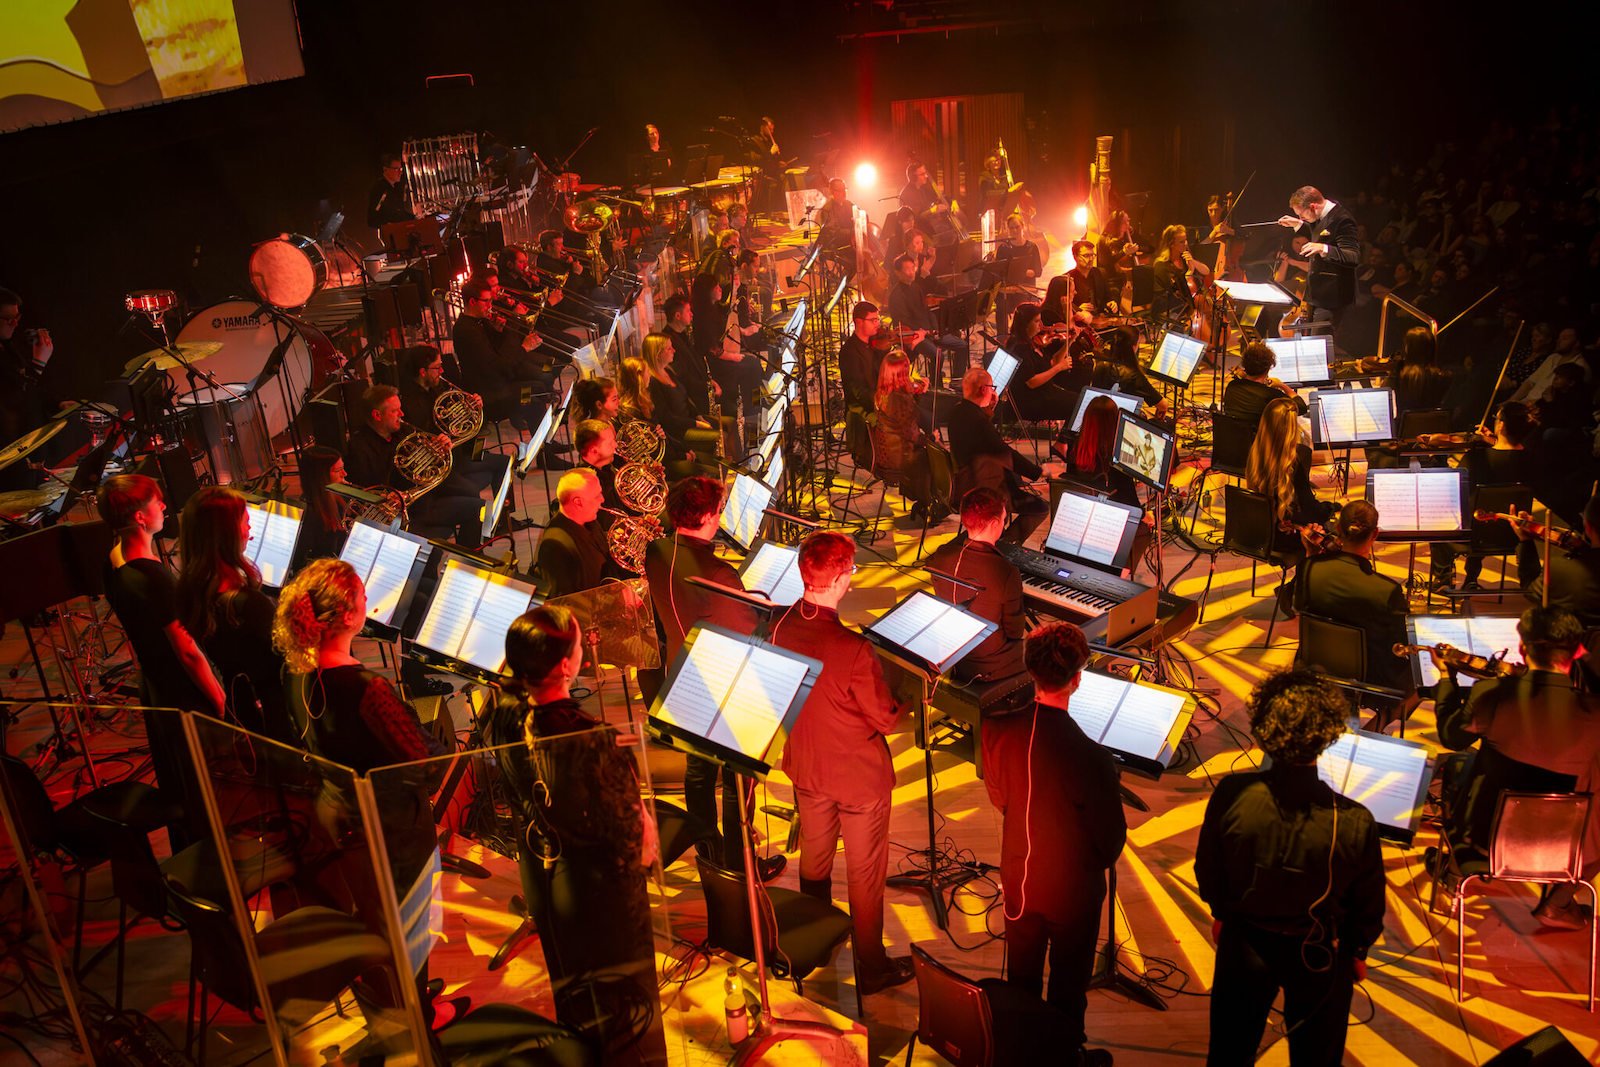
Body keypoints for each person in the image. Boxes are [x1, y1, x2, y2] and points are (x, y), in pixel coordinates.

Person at [484, 605, 663, 1064]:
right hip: (596, 890)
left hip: (542, 868)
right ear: (567, 665)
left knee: (574, 986)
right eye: (580, 643)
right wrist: (646, 835)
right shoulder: (588, 736)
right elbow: (626, 839)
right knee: (624, 1009)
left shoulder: (504, 708)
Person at [272, 560, 449, 1012]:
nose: (369, 602)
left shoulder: (295, 671)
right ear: (349, 616)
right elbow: (424, 765)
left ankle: (388, 998)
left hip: (342, 812)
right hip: (391, 824)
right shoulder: (367, 687)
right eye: (363, 597)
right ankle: (415, 1020)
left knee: (374, 913)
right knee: (408, 923)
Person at [1196, 669, 1386, 1067]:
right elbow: (1367, 904)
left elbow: (1208, 869)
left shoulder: (1231, 793)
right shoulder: (1354, 819)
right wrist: (1358, 950)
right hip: (1318, 951)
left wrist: (1222, 914)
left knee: (1230, 1052)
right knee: (1317, 1058)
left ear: (1264, 728)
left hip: (1244, 941)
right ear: (1328, 735)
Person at [768, 531, 913, 994]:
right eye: (850, 570)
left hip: (807, 766)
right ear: (838, 580)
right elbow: (885, 719)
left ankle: (817, 938)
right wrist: (906, 698)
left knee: (815, 857)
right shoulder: (853, 649)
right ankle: (871, 967)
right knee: (865, 874)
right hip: (857, 779)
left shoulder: (780, 624)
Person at [982, 621, 1124, 1067]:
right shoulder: (1094, 757)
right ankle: (1066, 1056)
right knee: (1067, 986)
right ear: (1077, 679)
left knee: (1021, 977)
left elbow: (1000, 797)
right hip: (1072, 894)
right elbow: (1109, 845)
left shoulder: (996, 729)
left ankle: (1022, 1050)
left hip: (1020, 874)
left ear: (1029, 670)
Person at [642, 477, 783, 880]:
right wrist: (761, 610)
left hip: (681, 678)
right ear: (707, 517)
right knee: (740, 781)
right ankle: (740, 866)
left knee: (699, 773)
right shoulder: (718, 573)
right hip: (720, 684)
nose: (721, 517)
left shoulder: (657, 549)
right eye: (718, 511)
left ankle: (708, 852)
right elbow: (747, 635)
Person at [98, 474, 226, 845]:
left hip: (154, 686)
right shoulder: (153, 577)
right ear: (140, 517)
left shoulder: (114, 558)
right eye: (156, 502)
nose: (164, 506)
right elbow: (186, 650)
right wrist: (219, 699)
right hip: (182, 692)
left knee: (178, 781)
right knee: (201, 787)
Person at [1434, 606, 1600, 890]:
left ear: (1522, 648)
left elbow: (1451, 736)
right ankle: (1559, 901)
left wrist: (1445, 678)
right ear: (1575, 652)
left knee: (1457, 762)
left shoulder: (1493, 694)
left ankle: (1453, 872)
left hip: (1485, 843)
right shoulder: (1593, 713)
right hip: (1566, 849)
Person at [175, 487, 292, 743]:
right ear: (226, 534)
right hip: (274, 715)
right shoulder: (247, 603)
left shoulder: (191, 590)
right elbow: (286, 658)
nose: (250, 531)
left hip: (240, 705)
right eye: (246, 522)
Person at [1296, 501, 1414, 700]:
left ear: (1338, 529)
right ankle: (1374, 726)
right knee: (1424, 678)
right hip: (1367, 677)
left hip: (1314, 665)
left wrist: (1311, 555)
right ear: (1375, 534)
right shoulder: (1387, 590)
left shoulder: (1309, 568)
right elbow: (1399, 646)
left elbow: (1300, 607)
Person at [344, 385, 485, 547]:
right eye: (394, 411)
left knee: (479, 506)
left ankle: (468, 558)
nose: (401, 414)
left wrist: (440, 448)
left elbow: (427, 467)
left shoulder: (402, 430)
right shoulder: (359, 448)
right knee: (472, 507)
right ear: (377, 415)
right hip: (407, 513)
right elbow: (368, 490)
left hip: (426, 497)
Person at [1428, 401, 1538, 592]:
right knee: (1486, 512)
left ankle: (1443, 579)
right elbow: (1509, 455)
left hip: (1474, 536)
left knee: (1441, 521)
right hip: (1515, 534)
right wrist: (1493, 441)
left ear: (1501, 425)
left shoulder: (1477, 458)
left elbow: (1454, 492)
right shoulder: (1532, 459)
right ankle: (1471, 577)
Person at [923, 488, 1027, 684]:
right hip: (989, 663)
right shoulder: (1005, 571)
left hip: (950, 652)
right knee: (1047, 651)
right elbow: (1015, 632)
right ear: (996, 523)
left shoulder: (941, 555)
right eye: (1004, 519)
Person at [948, 367, 1049, 544]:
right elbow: (1005, 452)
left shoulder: (957, 412)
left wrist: (989, 408)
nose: (994, 391)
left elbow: (984, 437)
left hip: (965, 482)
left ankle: (990, 538)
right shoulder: (979, 423)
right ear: (983, 389)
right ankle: (1004, 545)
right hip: (985, 488)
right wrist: (1039, 472)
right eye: (992, 387)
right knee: (1040, 507)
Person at [451, 277, 548, 439]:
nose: (490, 306)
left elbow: (500, 353)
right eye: (486, 301)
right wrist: (523, 347)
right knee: (534, 396)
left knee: (537, 388)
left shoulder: (478, 322)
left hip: (499, 384)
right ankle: (545, 448)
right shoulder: (467, 331)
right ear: (473, 301)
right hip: (490, 396)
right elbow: (499, 366)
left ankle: (544, 444)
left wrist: (498, 332)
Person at [1246, 396, 1336, 556]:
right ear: (1292, 425)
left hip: (1262, 532)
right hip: (1288, 537)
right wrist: (1329, 509)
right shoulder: (1300, 454)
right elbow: (1307, 506)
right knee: (1337, 533)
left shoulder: (1255, 448)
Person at [1276, 186, 1360, 329]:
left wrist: (1323, 248)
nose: (1301, 218)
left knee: (1321, 342)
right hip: (1316, 295)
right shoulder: (1320, 216)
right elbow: (1319, 232)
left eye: (1301, 215)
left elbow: (1353, 256)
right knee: (1311, 342)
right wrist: (1299, 224)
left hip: (1332, 297)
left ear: (1313, 207)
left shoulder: (1342, 220)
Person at [1514, 495, 1600, 630]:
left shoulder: (1559, 570)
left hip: (1581, 646)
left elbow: (1530, 589)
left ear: (1588, 527)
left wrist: (1525, 541)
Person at [1005, 302, 1079, 457]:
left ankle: (1064, 443)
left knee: (1082, 401)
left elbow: (1052, 362)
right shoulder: (1019, 347)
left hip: (1045, 392)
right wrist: (1059, 368)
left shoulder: (1031, 342)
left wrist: (1069, 342)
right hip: (1031, 401)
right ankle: (1064, 445)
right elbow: (1031, 382)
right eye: (1037, 321)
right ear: (1025, 324)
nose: (1042, 325)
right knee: (1080, 405)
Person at [887, 252, 968, 386]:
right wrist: (923, 331)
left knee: (962, 346)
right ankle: (937, 387)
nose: (910, 272)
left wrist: (935, 329)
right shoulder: (895, 296)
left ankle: (956, 382)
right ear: (898, 273)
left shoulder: (916, 287)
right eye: (906, 269)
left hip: (928, 332)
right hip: (912, 335)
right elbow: (903, 322)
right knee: (937, 355)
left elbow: (927, 311)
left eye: (912, 268)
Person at [871, 351, 933, 520]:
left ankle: (922, 499)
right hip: (900, 456)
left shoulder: (882, 393)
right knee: (935, 456)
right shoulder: (900, 400)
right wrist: (931, 439)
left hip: (886, 452)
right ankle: (930, 503)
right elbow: (911, 435)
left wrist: (916, 387)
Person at [534, 468, 611, 597]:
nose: (602, 499)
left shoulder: (587, 520)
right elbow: (565, 602)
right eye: (597, 495)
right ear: (578, 502)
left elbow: (603, 551)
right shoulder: (555, 546)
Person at [0, 285, 56, 461]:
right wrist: (39, 363)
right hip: (10, 450)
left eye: (17, 317)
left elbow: (30, 387)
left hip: (27, 443)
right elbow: (15, 397)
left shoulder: (8, 345)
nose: (15, 324)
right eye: (8, 319)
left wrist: (57, 403)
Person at [1068, 396, 1141, 508]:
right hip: (1112, 511)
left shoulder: (1076, 444)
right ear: (1115, 419)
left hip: (1081, 506)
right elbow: (1129, 498)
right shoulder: (1117, 453)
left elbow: (1073, 483)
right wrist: (1145, 515)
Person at [1224, 342, 1304, 426]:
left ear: (1245, 365)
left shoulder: (1232, 386)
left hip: (1234, 437)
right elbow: (1301, 407)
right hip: (1261, 438)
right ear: (1268, 368)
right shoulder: (1271, 395)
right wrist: (1282, 385)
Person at [296, 445, 349, 564]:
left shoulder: (341, 496)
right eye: (337, 470)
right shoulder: (310, 516)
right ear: (321, 477)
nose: (344, 474)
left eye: (343, 468)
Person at [1042, 241, 1110, 327]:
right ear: (1075, 257)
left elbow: (1107, 296)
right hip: (1078, 323)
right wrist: (1078, 308)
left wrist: (1111, 302)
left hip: (1099, 319)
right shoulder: (1067, 280)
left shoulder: (1100, 273)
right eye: (1086, 256)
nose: (1091, 259)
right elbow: (1059, 306)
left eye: (1092, 255)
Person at [1151, 224, 1207, 325]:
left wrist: (1193, 262)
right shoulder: (1162, 265)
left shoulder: (1185, 259)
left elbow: (1206, 271)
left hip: (1185, 308)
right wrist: (1189, 273)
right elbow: (1176, 292)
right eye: (1181, 242)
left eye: (1186, 240)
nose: (1185, 244)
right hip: (1171, 310)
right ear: (1171, 244)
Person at [839, 300, 882, 413]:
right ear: (859, 322)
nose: (877, 324)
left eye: (878, 320)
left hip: (880, 401)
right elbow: (859, 393)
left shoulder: (875, 344)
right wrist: (884, 403)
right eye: (873, 320)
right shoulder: (849, 352)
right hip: (865, 412)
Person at [367, 153, 414, 230]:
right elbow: (372, 219)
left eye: (401, 169)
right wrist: (390, 225)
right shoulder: (380, 189)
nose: (400, 173)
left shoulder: (395, 189)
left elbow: (399, 214)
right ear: (386, 169)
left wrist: (415, 218)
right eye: (396, 169)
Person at [815, 177, 855, 251]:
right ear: (832, 192)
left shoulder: (848, 204)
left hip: (848, 242)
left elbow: (860, 213)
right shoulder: (828, 209)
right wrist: (852, 232)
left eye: (844, 190)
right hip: (835, 246)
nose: (844, 193)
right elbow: (833, 231)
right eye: (841, 190)